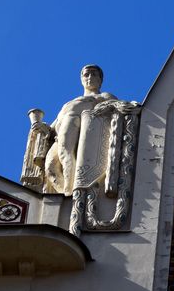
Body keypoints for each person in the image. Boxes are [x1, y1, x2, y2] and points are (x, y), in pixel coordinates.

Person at [35, 65, 116, 195]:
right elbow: (55, 124)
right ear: (81, 79)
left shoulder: (103, 96)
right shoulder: (69, 102)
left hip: (73, 121)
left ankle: (70, 192)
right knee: (50, 167)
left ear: (100, 80)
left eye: (94, 74)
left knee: (65, 154)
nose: (90, 77)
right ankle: (65, 194)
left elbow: (115, 108)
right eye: (86, 74)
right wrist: (44, 127)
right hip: (59, 133)